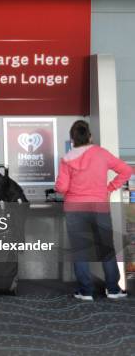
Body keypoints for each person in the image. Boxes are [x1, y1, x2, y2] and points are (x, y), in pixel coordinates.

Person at [55, 120, 132, 300]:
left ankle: (85, 291)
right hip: (99, 206)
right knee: (106, 248)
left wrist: (61, 185)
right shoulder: (101, 154)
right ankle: (113, 289)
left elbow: (62, 187)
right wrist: (110, 188)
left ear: (72, 139)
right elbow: (127, 170)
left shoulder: (67, 159)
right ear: (90, 136)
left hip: (74, 208)